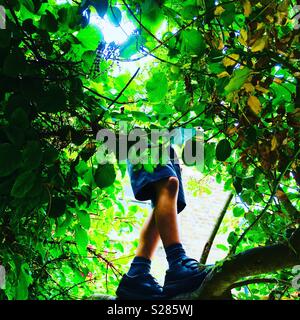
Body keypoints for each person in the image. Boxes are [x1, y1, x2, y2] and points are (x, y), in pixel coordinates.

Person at [116, 142, 211, 300]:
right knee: (169, 184)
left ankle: (137, 273)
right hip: (140, 132)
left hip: (163, 138)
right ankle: (177, 262)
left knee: (165, 200)